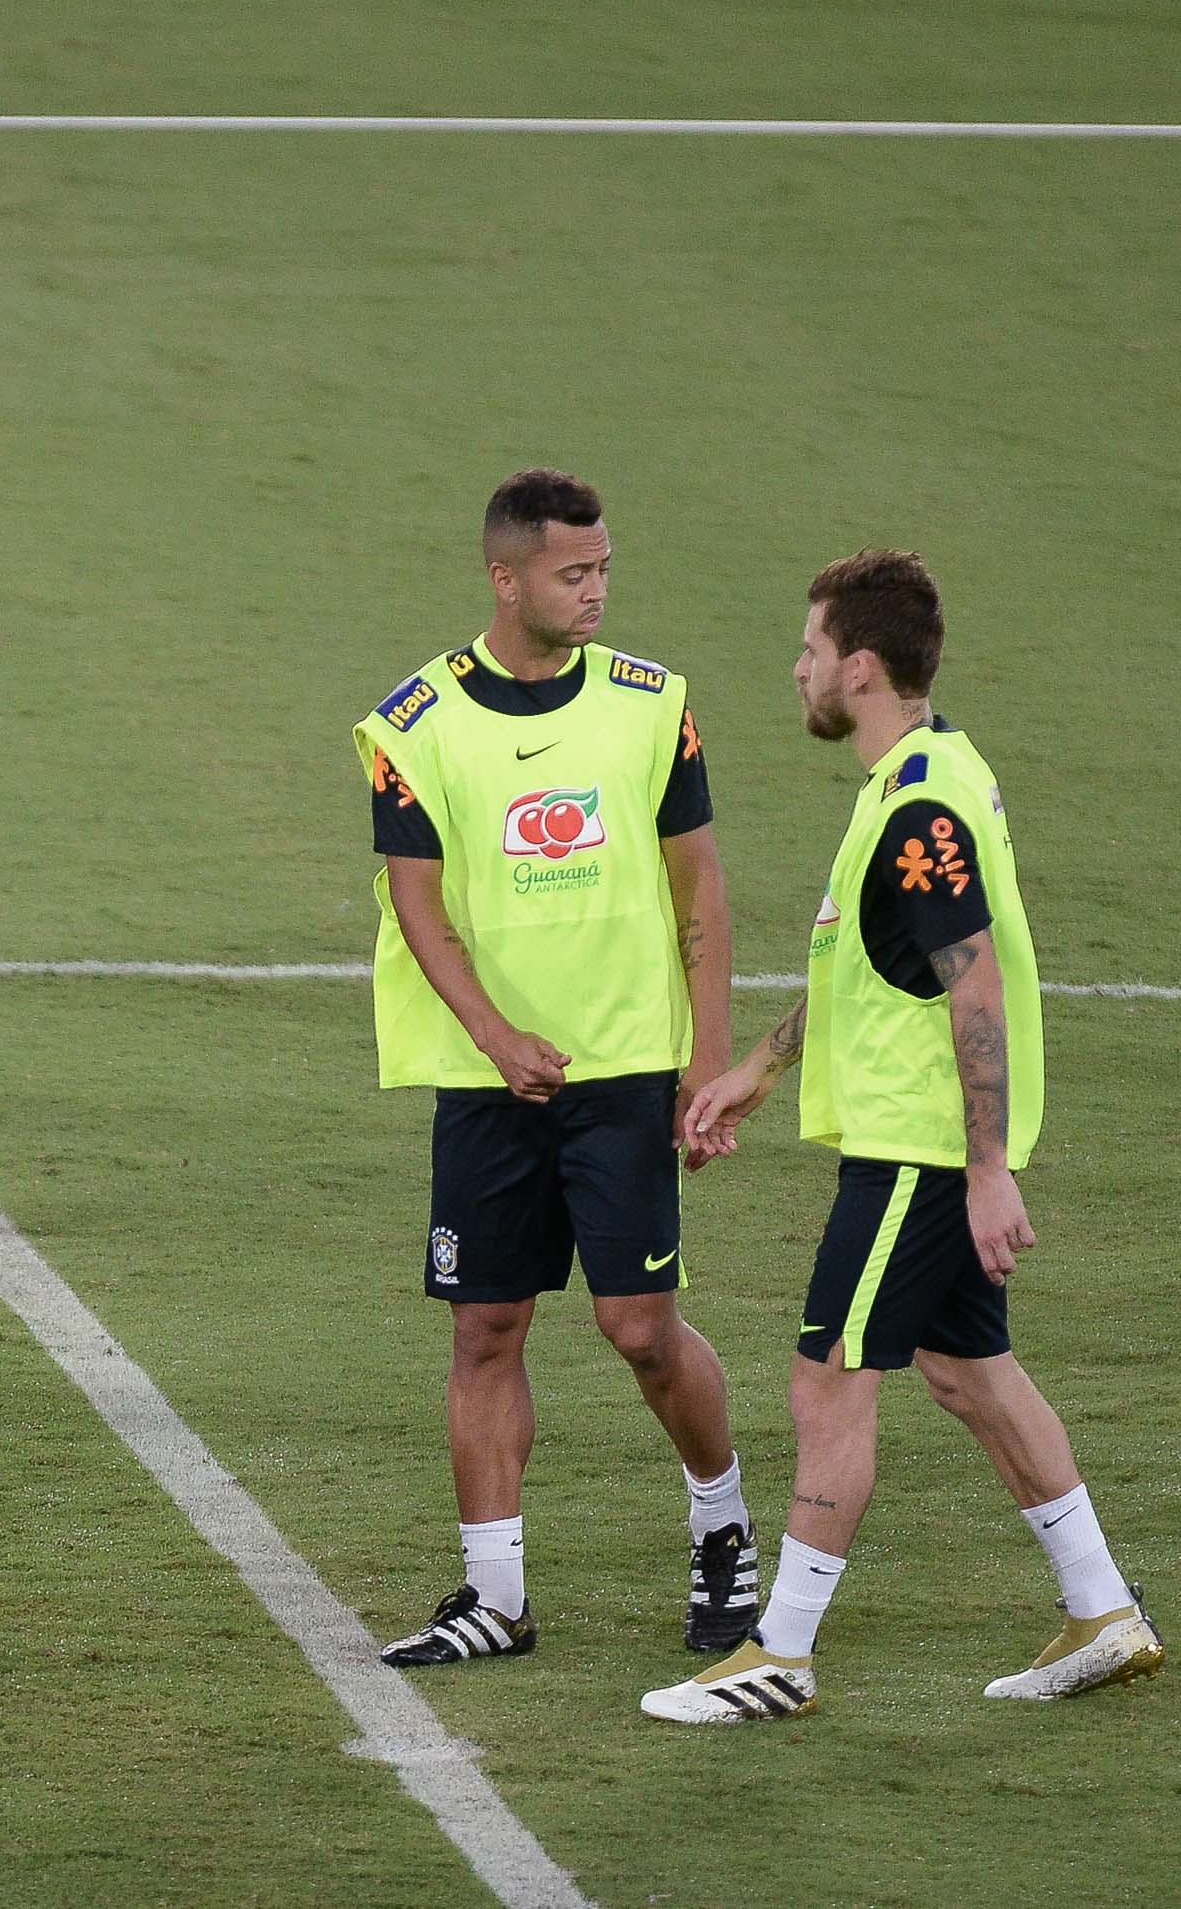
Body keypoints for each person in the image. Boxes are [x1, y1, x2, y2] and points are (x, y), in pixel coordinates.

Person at [644, 551, 1162, 1722]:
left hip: (920, 1152)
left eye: (812, 650)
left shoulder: (920, 805)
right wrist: (763, 1065)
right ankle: (1104, 1609)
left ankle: (779, 1651)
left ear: (861, 667)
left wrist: (983, 1172)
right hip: (921, 1141)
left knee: (828, 1381)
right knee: (967, 1367)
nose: (799, 669)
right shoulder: (927, 773)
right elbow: (874, 961)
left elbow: (973, 987)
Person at [355, 469, 758, 1666]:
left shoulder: (652, 704)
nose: (595, 592)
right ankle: (495, 1597)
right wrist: (494, 1035)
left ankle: (724, 1528)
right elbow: (419, 907)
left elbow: (700, 884)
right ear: (505, 577)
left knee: (640, 1327)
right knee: (486, 1326)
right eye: (573, 573)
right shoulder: (412, 725)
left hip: (626, 1067)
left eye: (603, 570)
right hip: (490, 1081)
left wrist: (709, 1062)